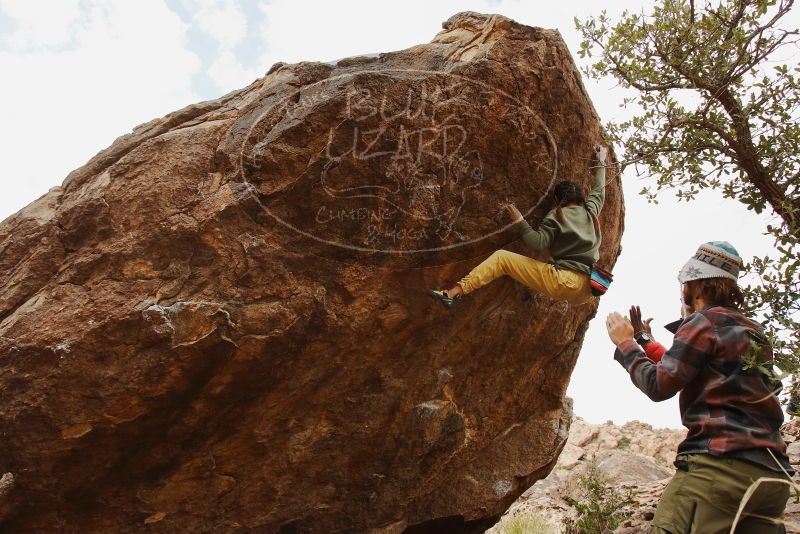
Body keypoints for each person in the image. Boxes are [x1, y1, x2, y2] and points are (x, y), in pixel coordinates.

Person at [606, 241, 793, 533]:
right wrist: (645, 341)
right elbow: (697, 366)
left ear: (696, 283)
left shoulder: (702, 322)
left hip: (720, 469)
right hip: (773, 476)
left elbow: (659, 385)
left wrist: (626, 344)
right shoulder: (753, 330)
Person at [428, 144, 608, 309]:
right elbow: (599, 188)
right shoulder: (591, 211)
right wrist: (601, 160)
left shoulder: (557, 215)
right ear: (581, 197)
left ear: (557, 200)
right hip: (587, 291)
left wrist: (520, 220)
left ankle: (452, 293)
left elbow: (537, 242)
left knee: (501, 259)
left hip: (564, 282)